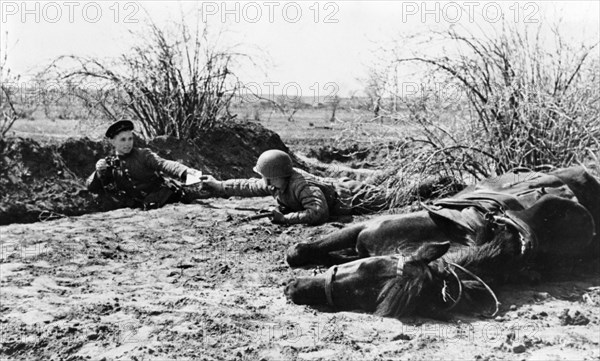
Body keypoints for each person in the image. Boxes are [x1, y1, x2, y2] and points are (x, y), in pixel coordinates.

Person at [202, 149, 391, 225]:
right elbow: (249, 185)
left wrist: (285, 218)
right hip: (342, 191)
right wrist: (219, 186)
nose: (266, 184)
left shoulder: (302, 186)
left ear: (282, 176)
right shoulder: (275, 181)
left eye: (269, 179)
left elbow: (319, 213)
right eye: (265, 178)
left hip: (356, 197)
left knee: (396, 198)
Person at [86, 120, 204, 210]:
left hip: (169, 198)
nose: (127, 143)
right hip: (144, 208)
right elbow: (91, 187)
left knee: (206, 188)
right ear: (112, 141)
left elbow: (165, 164)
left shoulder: (143, 155)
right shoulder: (109, 165)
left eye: (130, 139)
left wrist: (192, 174)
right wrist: (98, 172)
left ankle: (220, 185)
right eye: (123, 140)